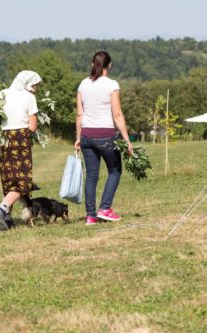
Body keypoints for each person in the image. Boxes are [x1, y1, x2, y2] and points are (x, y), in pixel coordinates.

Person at [74, 51, 133, 225]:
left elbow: (79, 114)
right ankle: (105, 209)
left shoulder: (83, 84)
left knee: (91, 176)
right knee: (115, 171)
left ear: (93, 64)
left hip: (86, 135)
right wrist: (127, 139)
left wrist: (78, 137)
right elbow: (117, 113)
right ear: (110, 65)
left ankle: (90, 216)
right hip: (105, 135)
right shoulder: (111, 84)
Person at [0, 70, 41, 231]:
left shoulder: (1, 94)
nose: (36, 89)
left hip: (3, 139)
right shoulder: (29, 97)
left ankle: (7, 219)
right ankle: (1, 208)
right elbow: (32, 127)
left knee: (9, 179)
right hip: (20, 138)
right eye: (34, 85)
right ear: (27, 84)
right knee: (22, 181)